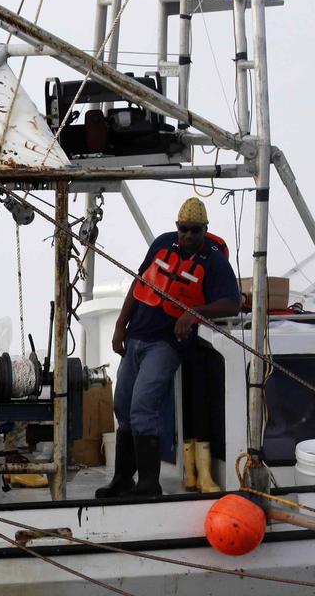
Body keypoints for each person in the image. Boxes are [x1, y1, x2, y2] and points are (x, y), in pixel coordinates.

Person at [97, 197, 241, 498]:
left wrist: (193, 313)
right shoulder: (162, 244)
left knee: (142, 408)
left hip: (166, 344)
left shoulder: (213, 261)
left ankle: (150, 483)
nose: (189, 235)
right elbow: (139, 285)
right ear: (177, 228)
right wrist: (120, 325)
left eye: (196, 230)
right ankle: (123, 478)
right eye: (184, 229)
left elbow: (232, 302)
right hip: (136, 336)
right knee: (122, 406)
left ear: (205, 230)